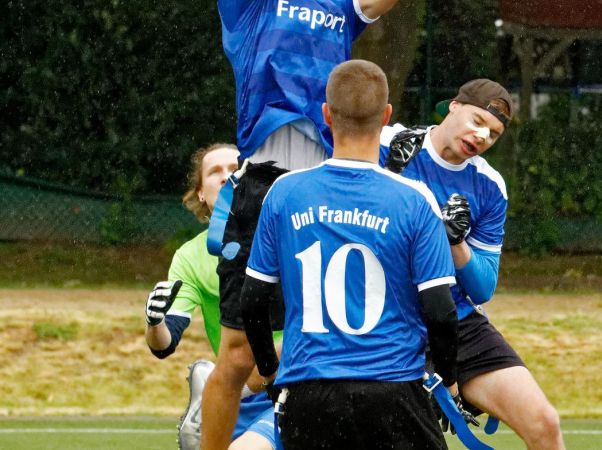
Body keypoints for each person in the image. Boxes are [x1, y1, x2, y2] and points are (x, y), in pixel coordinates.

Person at [204, 1, 401, 448]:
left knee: (332, 345)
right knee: (237, 356)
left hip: (324, 193)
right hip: (260, 188)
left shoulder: (342, 7)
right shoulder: (250, 10)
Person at [241, 59, 460, 450]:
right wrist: (446, 375)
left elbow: (253, 300)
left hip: (309, 393)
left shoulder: (285, 193)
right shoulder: (414, 199)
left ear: (325, 114)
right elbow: (440, 309)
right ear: (387, 116)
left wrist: (270, 373)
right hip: (393, 391)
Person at [380, 79, 565, 449]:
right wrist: (387, 174)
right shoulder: (386, 143)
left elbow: (483, 288)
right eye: (478, 120)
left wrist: (456, 242)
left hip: (456, 319)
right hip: (386, 319)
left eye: (494, 134)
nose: (482, 136)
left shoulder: (489, 185)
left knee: (545, 423)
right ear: (453, 106)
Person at [144, 143, 280, 450]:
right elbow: (164, 345)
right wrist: (155, 322)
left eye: (234, 169)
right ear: (201, 194)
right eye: (214, 172)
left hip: (287, 386)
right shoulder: (190, 256)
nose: (225, 177)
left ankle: (216, 389)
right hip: (239, 395)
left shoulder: (287, 235)